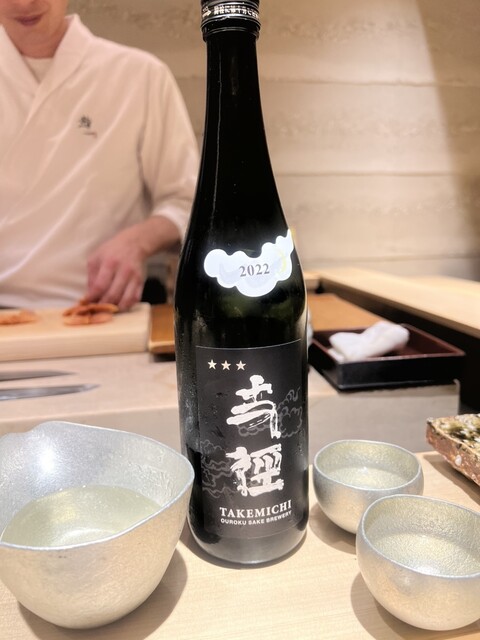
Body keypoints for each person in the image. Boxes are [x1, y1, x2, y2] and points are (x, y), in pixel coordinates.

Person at [0, 0, 199, 310]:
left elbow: (188, 203)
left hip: (104, 308)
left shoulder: (140, 75)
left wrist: (137, 241)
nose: (24, 3)